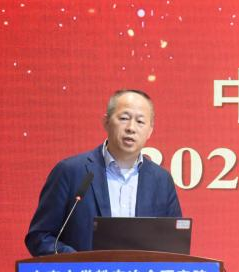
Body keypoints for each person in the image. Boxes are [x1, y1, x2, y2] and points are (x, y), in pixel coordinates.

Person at [24, 89, 182, 256]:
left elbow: (175, 246)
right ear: (106, 122)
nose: (131, 128)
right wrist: (79, 262)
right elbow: (40, 237)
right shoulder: (70, 172)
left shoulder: (161, 181)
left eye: (140, 121)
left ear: (150, 131)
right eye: (124, 118)